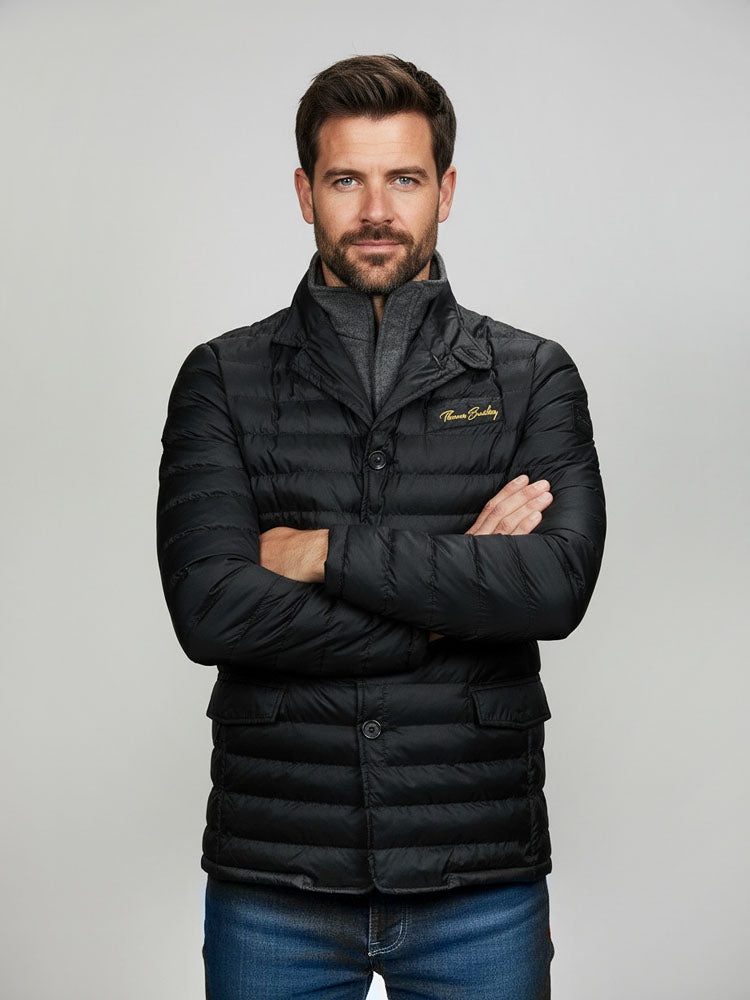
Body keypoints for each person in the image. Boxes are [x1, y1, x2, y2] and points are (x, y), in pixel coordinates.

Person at [156, 53, 606, 1000]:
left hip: (478, 876)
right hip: (275, 875)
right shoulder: (222, 378)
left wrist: (324, 553)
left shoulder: (532, 376)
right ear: (304, 193)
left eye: (403, 178)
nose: (374, 210)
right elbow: (211, 611)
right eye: (345, 180)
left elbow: (555, 589)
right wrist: (456, 597)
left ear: (446, 190)